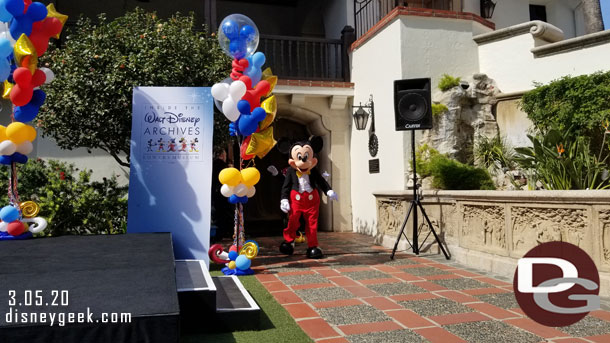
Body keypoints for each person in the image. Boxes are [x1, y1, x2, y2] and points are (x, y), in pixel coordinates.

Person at [211, 147, 233, 242]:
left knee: (218, 214)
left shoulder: (212, 165)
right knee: (224, 214)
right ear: (221, 155)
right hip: (223, 192)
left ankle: (219, 234)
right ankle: (225, 233)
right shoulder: (223, 166)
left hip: (215, 192)